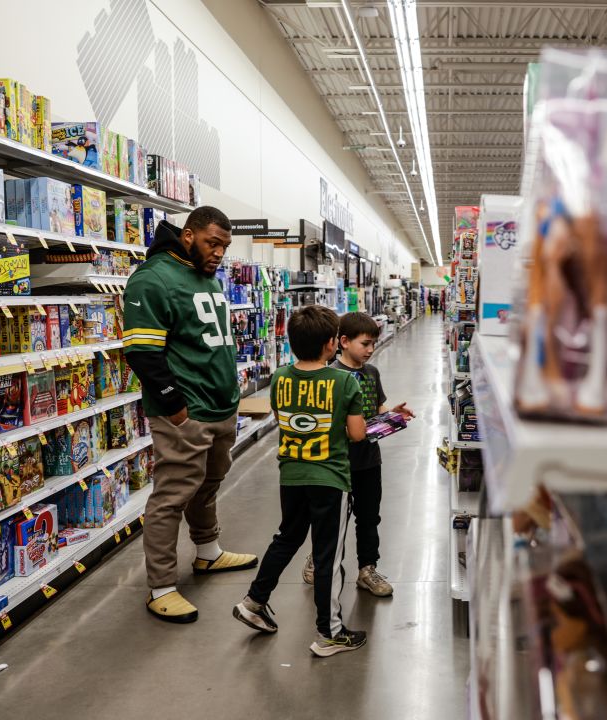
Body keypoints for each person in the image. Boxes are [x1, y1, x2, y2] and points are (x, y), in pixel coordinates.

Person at [123, 205, 258, 624]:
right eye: (211, 242)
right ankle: (161, 586)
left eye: (224, 246)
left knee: (209, 482)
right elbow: (142, 352)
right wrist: (176, 407)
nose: (218, 252)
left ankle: (207, 552)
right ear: (187, 235)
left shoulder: (203, 275)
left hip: (220, 406)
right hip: (187, 410)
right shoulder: (153, 278)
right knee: (172, 496)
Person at [233, 305, 369, 657]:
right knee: (328, 555)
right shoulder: (344, 381)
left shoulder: (279, 377)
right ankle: (329, 632)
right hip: (330, 478)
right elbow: (357, 435)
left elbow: (283, 417)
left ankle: (253, 601)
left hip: (291, 475)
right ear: (331, 344)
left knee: (287, 538)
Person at [300, 312, 415, 596]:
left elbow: (376, 409)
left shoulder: (371, 373)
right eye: (365, 344)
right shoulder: (329, 375)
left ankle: (367, 569)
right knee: (331, 518)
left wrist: (392, 415)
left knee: (369, 516)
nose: (370, 350)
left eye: (373, 344)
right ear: (343, 342)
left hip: (368, 460)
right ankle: (319, 558)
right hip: (336, 463)